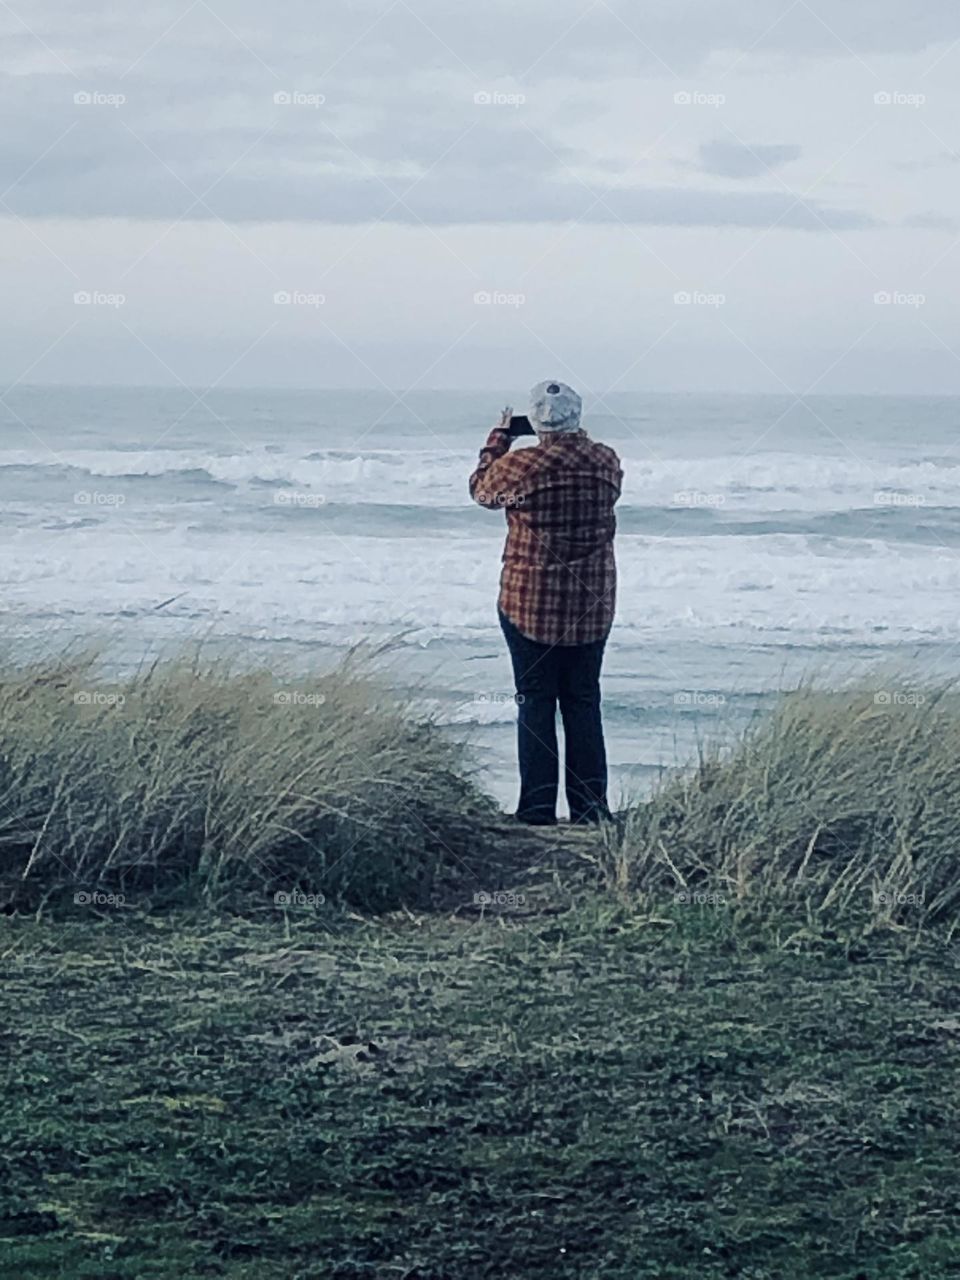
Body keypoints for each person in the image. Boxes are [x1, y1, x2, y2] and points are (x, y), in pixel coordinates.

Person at [469, 380, 623, 825]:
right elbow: (592, 466)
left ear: (534, 422)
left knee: (535, 701)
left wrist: (498, 440)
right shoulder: (606, 461)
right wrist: (573, 434)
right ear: (578, 416)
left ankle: (537, 809)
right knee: (582, 701)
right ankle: (590, 810)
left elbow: (481, 492)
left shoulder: (521, 466)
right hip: (592, 602)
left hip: (529, 601)